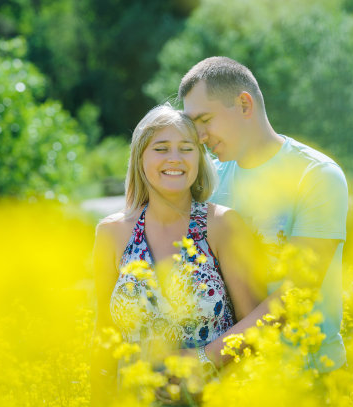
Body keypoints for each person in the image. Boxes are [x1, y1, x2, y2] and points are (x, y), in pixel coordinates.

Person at [178, 56, 349, 373]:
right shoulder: (209, 180)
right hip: (237, 377)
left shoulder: (316, 175)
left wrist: (205, 359)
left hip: (311, 376)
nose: (199, 137)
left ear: (244, 105)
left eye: (205, 120)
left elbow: (295, 295)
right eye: (193, 125)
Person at [90, 104, 263, 406]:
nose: (175, 159)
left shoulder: (222, 225)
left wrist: (204, 364)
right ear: (140, 157)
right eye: (161, 148)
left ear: (199, 159)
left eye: (186, 148)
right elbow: (104, 336)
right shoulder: (111, 232)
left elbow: (254, 326)